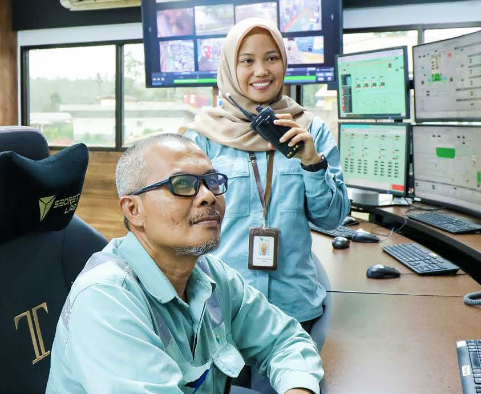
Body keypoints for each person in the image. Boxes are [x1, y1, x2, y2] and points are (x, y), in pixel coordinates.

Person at [46, 133, 322, 394]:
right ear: (134, 210)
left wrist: (298, 388)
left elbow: (285, 341)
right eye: (182, 184)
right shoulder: (106, 298)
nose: (208, 195)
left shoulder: (211, 274)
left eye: (212, 181)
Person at [183, 18, 350, 333]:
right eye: (247, 61)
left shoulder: (310, 129)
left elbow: (332, 220)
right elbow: (183, 224)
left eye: (271, 58)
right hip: (223, 307)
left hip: (294, 308)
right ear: (231, 68)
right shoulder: (202, 136)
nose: (261, 70)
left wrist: (312, 162)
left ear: (283, 64)